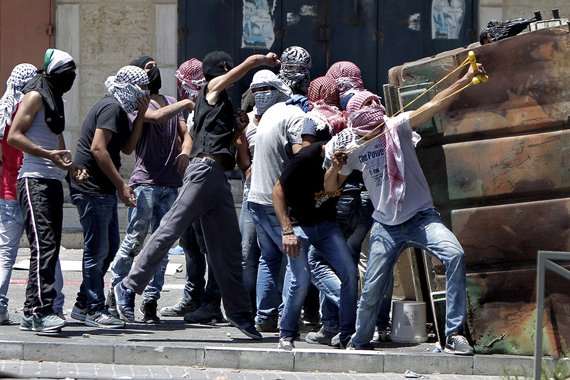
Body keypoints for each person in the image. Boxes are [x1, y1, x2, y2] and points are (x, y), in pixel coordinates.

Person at [113, 51, 280, 340]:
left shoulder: (221, 105)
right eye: (227, 69)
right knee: (169, 229)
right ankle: (128, 286)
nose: (229, 74)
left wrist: (236, 128)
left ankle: (240, 314)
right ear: (220, 70)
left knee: (228, 248)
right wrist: (258, 61)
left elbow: (209, 138)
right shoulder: (210, 90)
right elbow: (233, 77)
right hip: (203, 172)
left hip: (218, 178)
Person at [323, 62, 485, 355]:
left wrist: (467, 77)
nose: (376, 106)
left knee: (455, 254)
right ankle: (359, 341)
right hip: (386, 224)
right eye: (369, 104)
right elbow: (330, 186)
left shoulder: (396, 127)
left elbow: (435, 104)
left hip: (421, 217)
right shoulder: (354, 146)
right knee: (371, 289)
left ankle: (454, 334)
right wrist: (335, 167)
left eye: (377, 102)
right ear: (356, 113)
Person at [107, 55, 193, 324]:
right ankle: (118, 290)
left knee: (162, 246)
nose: (154, 71)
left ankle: (151, 301)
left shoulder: (170, 101)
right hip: (145, 184)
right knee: (134, 241)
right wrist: (188, 101)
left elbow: (185, 132)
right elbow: (154, 118)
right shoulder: (138, 103)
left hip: (170, 183)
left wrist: (185, 152)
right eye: (149, 68)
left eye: (156, 67)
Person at [68, 65, 150, 329]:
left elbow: (126, 149)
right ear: (129, 88)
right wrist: (121, 185)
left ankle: (82, 304)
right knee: (96, 250)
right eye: (142, 89)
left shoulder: (122, 111)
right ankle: (94, 308)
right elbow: (98, 149)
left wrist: (141, 115)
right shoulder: (111, 107)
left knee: (110, 248)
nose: (144, 93)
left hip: (102, 188)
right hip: (91, 186)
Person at [7, 49, 77, 333]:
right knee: (43, 246)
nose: (70, 78)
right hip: (33, 179)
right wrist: (48, 155)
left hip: (51, 180)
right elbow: (14, 136)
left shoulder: (54, 98)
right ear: (52, 73)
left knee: (49, 247)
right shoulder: (35, 96)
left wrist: (71, 167)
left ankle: (30, 311)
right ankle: (40, 311)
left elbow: (57, 142)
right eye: (66, 73)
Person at [273, 140, 358, 350]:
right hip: (299, 224)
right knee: (300, 279)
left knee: (349, 273)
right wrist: (287, 231)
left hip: (327, 224)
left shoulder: (349, 158)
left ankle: (347, 332)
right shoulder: (306, 157)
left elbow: (331, 187)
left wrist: (337, 168)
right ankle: (287, 333)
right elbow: (277, 191)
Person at [246, 70, 313, 332]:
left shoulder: (270, 114)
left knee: (269, 258)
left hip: (256, 197)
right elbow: (302, 155)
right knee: (295, 263)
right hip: (276, 200)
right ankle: (288, 319)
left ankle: (264, 317)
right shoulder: (296, 115)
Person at [0, 63, 65, 325]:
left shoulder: (4, 111)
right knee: (48, 249)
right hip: (35, 185)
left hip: (7, 191)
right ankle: (55, 305)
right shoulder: (37, 107)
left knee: (6, 252)